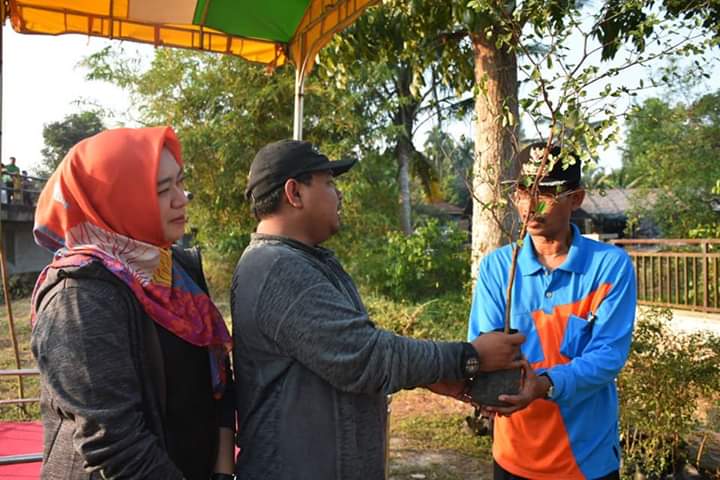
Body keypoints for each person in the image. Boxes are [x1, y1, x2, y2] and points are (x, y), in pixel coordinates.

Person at [231, 139, 526, 480]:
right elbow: (366, 357)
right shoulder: (277, 267)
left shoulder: (303, 262)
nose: (339, 195)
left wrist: (431, 375)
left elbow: (351, 349)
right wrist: (469, 357)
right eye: (329, 183)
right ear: (294, 193)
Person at [30, 127, 236, 480]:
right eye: (161, 190)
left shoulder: (175, 271)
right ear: (117, 200)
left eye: (179, 182)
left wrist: (222, 471)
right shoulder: (79, 296)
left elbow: (217, 384)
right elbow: (114, 445)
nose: (181, 199)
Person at [467, 142, 637, 480]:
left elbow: (608, 355)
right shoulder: (498, 268)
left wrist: (543, 384)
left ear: (576, 198)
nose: (530, 205)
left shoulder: (609, 267)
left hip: (585, 459)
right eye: (522, 192)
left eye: (545, 193)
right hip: (513, 452)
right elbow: (483, 344)